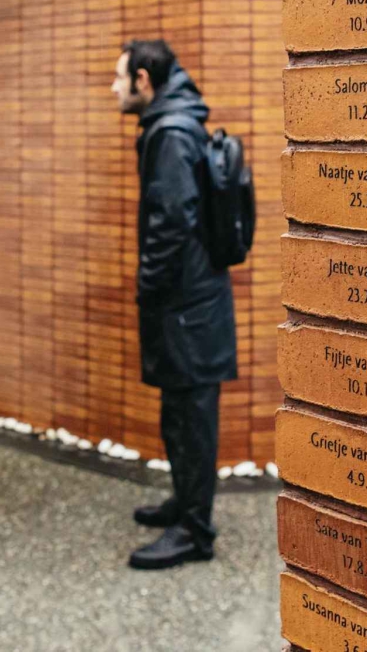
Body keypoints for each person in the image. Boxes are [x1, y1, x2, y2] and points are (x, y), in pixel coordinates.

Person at [111, 40, 238, 570]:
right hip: (191, 301)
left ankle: (194, 532)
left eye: (119, 77)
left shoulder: (170, 132)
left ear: (143, 79)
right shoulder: (175, 125)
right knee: (178, 412)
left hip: (188, 305)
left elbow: (172, 221)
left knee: (192, 419)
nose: (113, 88)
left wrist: (148, 285)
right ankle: (185, 505)